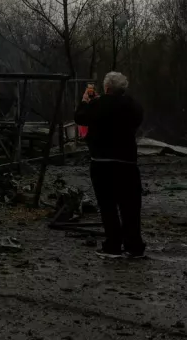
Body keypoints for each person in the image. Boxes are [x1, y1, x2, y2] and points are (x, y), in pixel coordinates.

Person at [74, 71, 145, 259]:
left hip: (102, 163)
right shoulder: (134, 106)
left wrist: (85, 101)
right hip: (128, 163)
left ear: (106, 88)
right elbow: (136, 118)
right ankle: (134, 246)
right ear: (123, 88)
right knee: (130, 207)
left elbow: (80, 118)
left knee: (108, 206)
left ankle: (113, 245)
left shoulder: (97, 105)